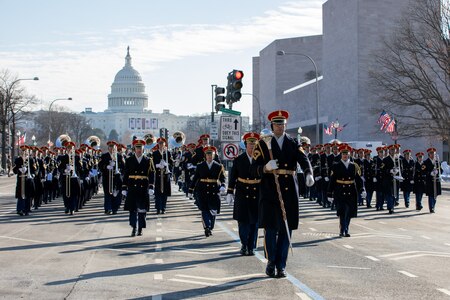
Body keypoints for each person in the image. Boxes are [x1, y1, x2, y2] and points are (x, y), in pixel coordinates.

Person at [250, 110, 314, 278]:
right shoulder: (263, 144)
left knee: (286, 229)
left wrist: (308, 173)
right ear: (272, 126)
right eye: (277, 124)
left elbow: (303, 159)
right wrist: (264, 168)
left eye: (283, 124)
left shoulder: (293, 143)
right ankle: (271, 261)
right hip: (270, 190)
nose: (280, 126)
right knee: (270, 228)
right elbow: (253, 168)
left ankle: (281, 265)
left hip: (289, 191)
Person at [227, 132, 261, 256]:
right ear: (245, 145)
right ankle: (244, 244)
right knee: (242, 221)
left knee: (254, 222)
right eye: (250, 144)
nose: (252, 146)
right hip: (242, 192)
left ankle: (251, 246)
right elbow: (233, 177)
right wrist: (230, 192)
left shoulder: (260, 159)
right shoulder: (239, 159)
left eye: (254, 144)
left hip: (256, 192)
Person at [188, 146, 225, 237]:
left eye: (211, 154)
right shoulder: (200, 166)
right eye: (208, 154)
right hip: (202, 190)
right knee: (204, 210)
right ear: (205, 155)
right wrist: (190, 190)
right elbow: (196, 178)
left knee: (213, 211)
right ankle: (207, 227)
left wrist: (223, 185)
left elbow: (222, 178)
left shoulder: (218, 166)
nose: (209, 156)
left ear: (214, 155)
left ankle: (210, 226)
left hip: (214, 191)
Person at [328, 145, 364, 237]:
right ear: (341, 154)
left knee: (349, 212)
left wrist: (362, 189)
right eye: (343, 154)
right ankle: (343, 229)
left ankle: (346, 228)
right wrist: (329, 193)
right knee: (342, 211)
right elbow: (332, 180)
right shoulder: (336, 166)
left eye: (346, 154)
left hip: (351, 190)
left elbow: (358, 179)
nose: (345, 155)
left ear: (349, 154)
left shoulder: (353, 166)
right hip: (340, 191)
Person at [122, 139, 155, 236]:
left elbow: (152, 173)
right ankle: (133, 227)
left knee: (142, 209)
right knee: (132, 209)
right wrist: (124, 187)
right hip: (132, 186)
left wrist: (151, 186)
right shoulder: (129, 160)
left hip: (143, 186)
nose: (139, 149)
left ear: (143, 148)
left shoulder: (148, 160)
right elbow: (126, 174)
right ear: (134, 148)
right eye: (137, 147)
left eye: (140, 147)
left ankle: (140, 228)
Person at [98, 141, 124, 214]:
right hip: (107, 177)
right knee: (107, 193)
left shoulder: (119, 156)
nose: (112, 148)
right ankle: (108, 208)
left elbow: (123, 166)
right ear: (108, 148)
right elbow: (100, 165)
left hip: (116, 177)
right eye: (110, 146)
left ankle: (114, 208)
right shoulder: (104, 156)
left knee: (116, 194)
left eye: (113, 147)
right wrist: (106, 167)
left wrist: (119, 170)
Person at [152, 137, 173, 214]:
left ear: (165, 145)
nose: (161, 145)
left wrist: (166, 164)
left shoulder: (168, 153)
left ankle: (163, 207)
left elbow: (172, 163)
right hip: (158, 174)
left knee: (165, 193)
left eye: (162, 144)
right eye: (160, 144)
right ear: (158, 145)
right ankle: (158, 208)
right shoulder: (155, 153)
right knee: (158, 192)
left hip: (165, 174)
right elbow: (152, 164)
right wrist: (157, 165)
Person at [423, 147, 441, 213]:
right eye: (431, 153)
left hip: (436, 180)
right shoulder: (425, 162)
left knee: (435, 195)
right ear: (428, 154)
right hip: (430, 181)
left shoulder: (437, 161)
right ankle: (431, 208)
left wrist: (438, 171)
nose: (432, 154)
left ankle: (433, 206)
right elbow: (423, 171)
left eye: (433, 153)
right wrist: (430, 173)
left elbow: (440, 170)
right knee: (431, 195)